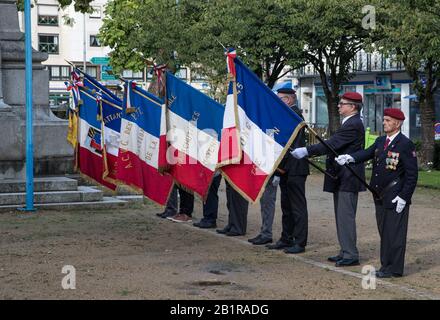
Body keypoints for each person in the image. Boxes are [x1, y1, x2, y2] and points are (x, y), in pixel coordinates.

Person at [336, 108, 418, 278]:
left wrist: (404, 197)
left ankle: (393, 269)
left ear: (398, 123)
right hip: (380, 194)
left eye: (388, 120)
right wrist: (349, 157)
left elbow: (412, 175)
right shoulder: (381, 141)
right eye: (385, 120)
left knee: (394, 234)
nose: (384, 122)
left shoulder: (405, 144)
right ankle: (386, 265)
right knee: (384, 231)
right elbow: (366, 153)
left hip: (396, 195)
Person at [291, 91, 366, 266]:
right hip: (340, 175)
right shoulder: (348, 122)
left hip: (348, 176)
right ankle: (345, 250)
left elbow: (333, 144)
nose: (339, 105)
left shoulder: (353, 124)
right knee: (341, 216)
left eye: (343, 103)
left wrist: (306, 151)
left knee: (345, 216)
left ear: (353, 107)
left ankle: (350, 254)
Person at [262, 88, 310, 254]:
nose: (277, 102)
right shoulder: (286, 115)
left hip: (295, 168)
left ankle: (300, 241)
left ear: (288, 100)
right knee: (287, 206)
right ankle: (286, 237)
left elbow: (290, 145)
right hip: (286, 168)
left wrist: (280, 168)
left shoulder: (294, 116)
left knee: (297, 207)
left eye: (280, 99)